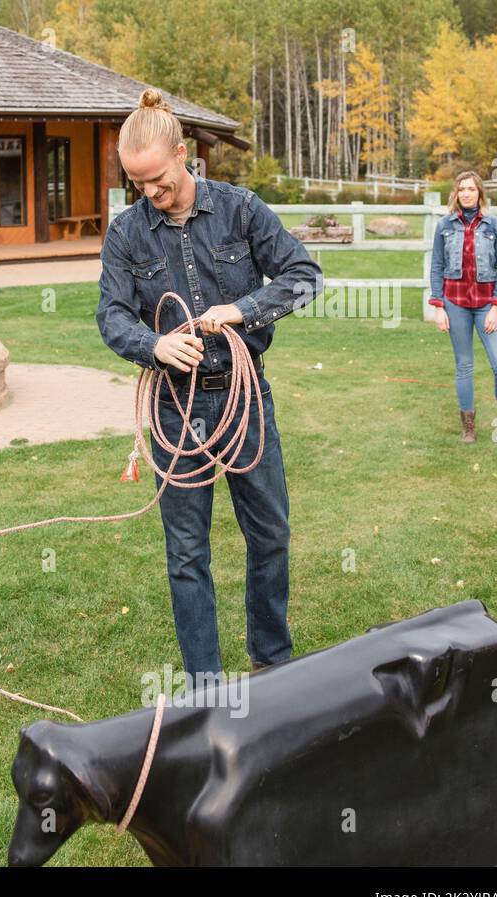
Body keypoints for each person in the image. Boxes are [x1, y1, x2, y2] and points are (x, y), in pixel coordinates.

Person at [95, 89, 323, 684]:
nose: (151, 192)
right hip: (176, 409)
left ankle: (271, 663)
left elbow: (305, 278)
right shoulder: (126, 234)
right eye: (138, 183)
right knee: (187, 553)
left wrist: (244, 309)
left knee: (270, 533)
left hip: (245, 400)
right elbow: (112, 317)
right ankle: (204, 685)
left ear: (182, 153)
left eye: (159, 178)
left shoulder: (241, 209)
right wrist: (156, 346)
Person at [428, 170, 497, 443]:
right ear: (456, 193)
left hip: (486, 304)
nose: (466, 193)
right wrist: (439, 306)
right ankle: (469, 427)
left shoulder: (494, 225)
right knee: (464, 366)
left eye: (471, 189)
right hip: (455, 304)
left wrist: (496, 306)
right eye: (462, 189)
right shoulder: (444, 225)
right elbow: (437, 267)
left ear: (480, 193)